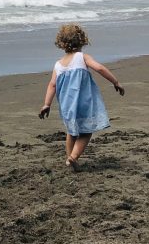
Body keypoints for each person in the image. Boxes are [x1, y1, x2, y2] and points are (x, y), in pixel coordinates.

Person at [38, 23, 124, 169]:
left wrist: (47, 104)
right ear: (82, 40)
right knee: (86, 131)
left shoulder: (58, 65)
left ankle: (68, 158)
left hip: (67, 105)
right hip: (84, 102)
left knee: (71, 132)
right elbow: (99, 68)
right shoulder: (82, 57)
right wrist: (115, 82)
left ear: (61, 43)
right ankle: (73, 157)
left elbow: (52, 85)